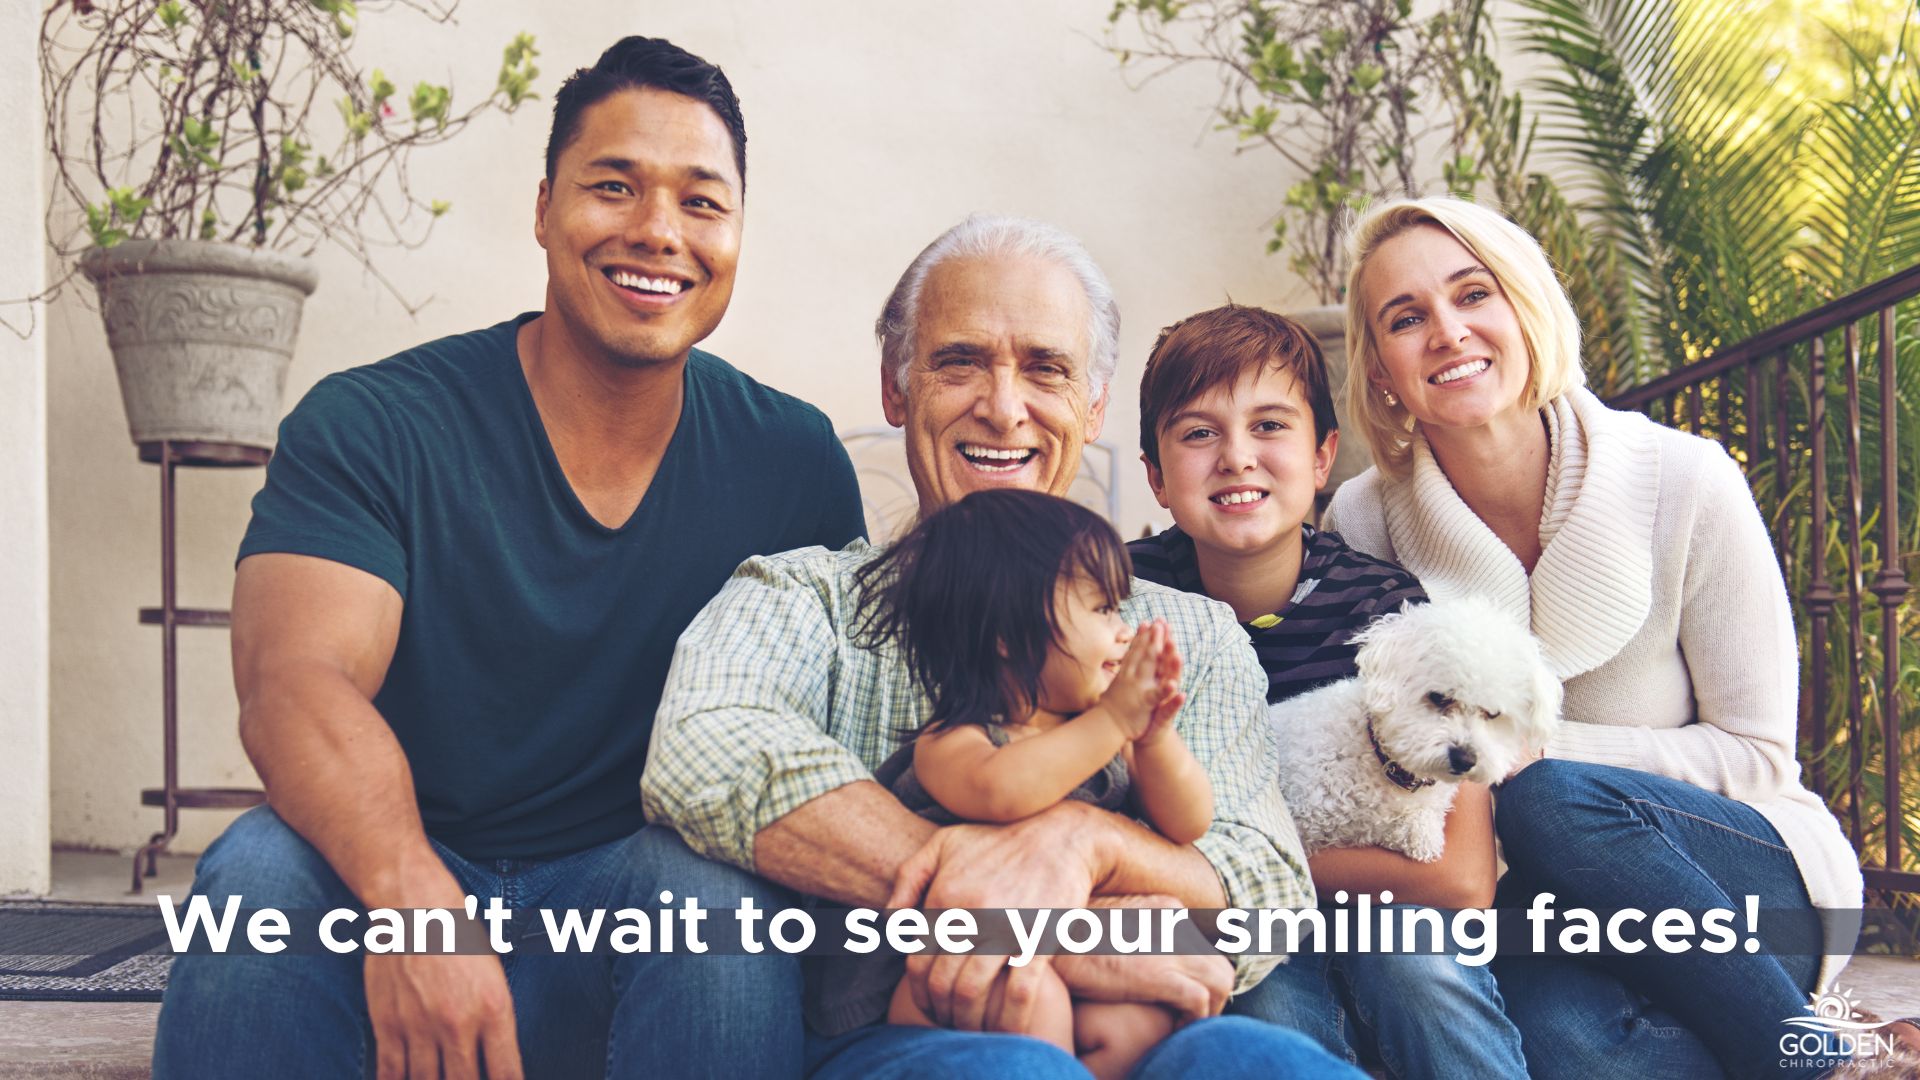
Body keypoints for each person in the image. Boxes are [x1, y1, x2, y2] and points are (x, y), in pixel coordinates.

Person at [153, 37, 864, 1080]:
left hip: (634, 924)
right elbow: (292, 682)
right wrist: (411, 901)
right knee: (259, 877)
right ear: (542, 210)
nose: (658, 231)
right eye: (613, 186)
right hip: (393, 886)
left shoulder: (792, 460)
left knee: (718, 906)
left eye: (701, 202)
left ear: (738, 231)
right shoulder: (378, 421)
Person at [644, 214, 1362, 1079]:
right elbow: (702, 744)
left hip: (1142, 1038)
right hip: (905, 1035)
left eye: (1046, 369)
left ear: (1093, 407)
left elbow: (1264, 883)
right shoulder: (810, 597)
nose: (1004, 405)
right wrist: (983, 896)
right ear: (896, 388)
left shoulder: (1186, 636)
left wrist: (1083, 846)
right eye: (960, 362)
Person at [1321, 194, 1865, 1079]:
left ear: (1525, 308)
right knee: (1559, 1046)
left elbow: (1760, 754)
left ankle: (1807, 1063)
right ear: (1381, 368)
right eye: (1406, 318)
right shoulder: (1366, 518)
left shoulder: (1686, 479)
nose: (1449, 333)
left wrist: (1540, 757)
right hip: (1542, 910)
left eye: (1473, 294)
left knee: (1547, 796)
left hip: (1753, 880)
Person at [1125, 303, 1527, 1079]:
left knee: (1420, 968)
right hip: (1226, 917)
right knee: (1263, 998)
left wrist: (1249, 864)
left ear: (1322, 457)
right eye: (1198, 433)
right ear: (1156, 476)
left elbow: (1461, 875)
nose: (1237, 456)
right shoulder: (1125, 597)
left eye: (1270, 426)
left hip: (1376, 909)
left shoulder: (1386, 610)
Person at [842, 488, 1208, 1078]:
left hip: (1060, 953)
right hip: (942, 974)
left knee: (1134, 1023)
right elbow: (1002, 792)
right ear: (1006, 634)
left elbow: (1189, 823)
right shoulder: (957, 740)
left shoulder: (1103, 735)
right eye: (1102, 610)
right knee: (1031, 996)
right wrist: (1113, 719)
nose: (1123, 630)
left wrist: (1153, 738)